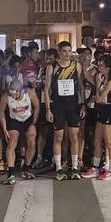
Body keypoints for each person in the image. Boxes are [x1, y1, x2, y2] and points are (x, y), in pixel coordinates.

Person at [44, 41, 85, 180]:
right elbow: (47, 88)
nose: (67, 54)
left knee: (74, 136)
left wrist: (83, 104)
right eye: (64, 51)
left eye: (69, 51)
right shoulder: (52, 67)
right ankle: (59, 168)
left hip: (73, 106)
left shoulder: (76, 66)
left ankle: (74, 167)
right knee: (59, 137)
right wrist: (48, 109)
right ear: (59, 52)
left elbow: (81, 86)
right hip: (58, 106)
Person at [82, 55, 111, 181]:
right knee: (97, 140)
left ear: (108, 68)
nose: (99, 67)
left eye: (101, 65)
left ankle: (110, 169)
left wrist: (98, 84)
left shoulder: (110, 82)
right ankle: (95, 167)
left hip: (109, 111)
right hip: (101, 111)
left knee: (109, 142)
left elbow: (99, 99)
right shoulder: (103, 79)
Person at [0, 78, 40, 185]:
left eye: (15, 94)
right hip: (14, 120)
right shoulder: (6, 97)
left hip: (28, 119)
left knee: (31, 140)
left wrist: (34, 123)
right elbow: (1, 112)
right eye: (11, 94)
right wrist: (4, 129)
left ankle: (26, 168)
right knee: (12, 142)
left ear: (21, 90)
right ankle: (11, 173)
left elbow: (37, 105)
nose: (14, 96)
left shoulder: (29, 93)